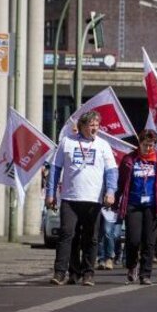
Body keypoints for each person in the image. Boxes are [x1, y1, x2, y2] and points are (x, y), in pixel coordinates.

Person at [46, 111, 118, 286]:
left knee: (91, 238)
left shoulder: (103, 145)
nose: (94, 128)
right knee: (67, 235)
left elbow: (111, 171)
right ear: (82, 126)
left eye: (96, 125)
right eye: (91, 125)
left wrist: (110, 191)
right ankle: (61, 272)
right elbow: (55, 169)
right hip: (70, 198)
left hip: (93, 199)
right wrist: (50, 193)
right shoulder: (67, 142)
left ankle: (88, 273)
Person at [115, 129, 157, 285]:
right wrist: (115, 200)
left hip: (153, 205)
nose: (148, 148)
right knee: (133, 239)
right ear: (139, 144)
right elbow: (121, 182)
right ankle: (132, 265)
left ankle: (145, 274)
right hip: (133, 204)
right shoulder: (129, 160)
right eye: (145, 145)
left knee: (150, 241)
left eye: (151, 145)